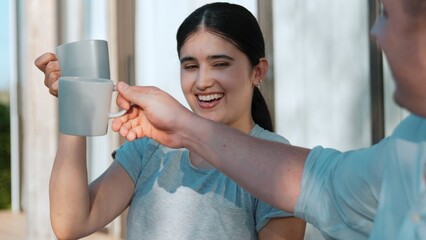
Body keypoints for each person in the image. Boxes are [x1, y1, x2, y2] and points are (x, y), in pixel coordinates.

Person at [93, 0, 425, 239]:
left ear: (258, 71)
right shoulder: (410, 141)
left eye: (387, 15)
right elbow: (323, 183)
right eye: (190, 65)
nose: (376, 33)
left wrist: (183, 126)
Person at [35, 2, 306, 240]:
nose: (202, 81)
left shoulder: (276, 161)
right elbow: (70, 224)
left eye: (220, 64)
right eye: (190, 66)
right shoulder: (149, 149)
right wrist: (75, 97)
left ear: (257, 71)